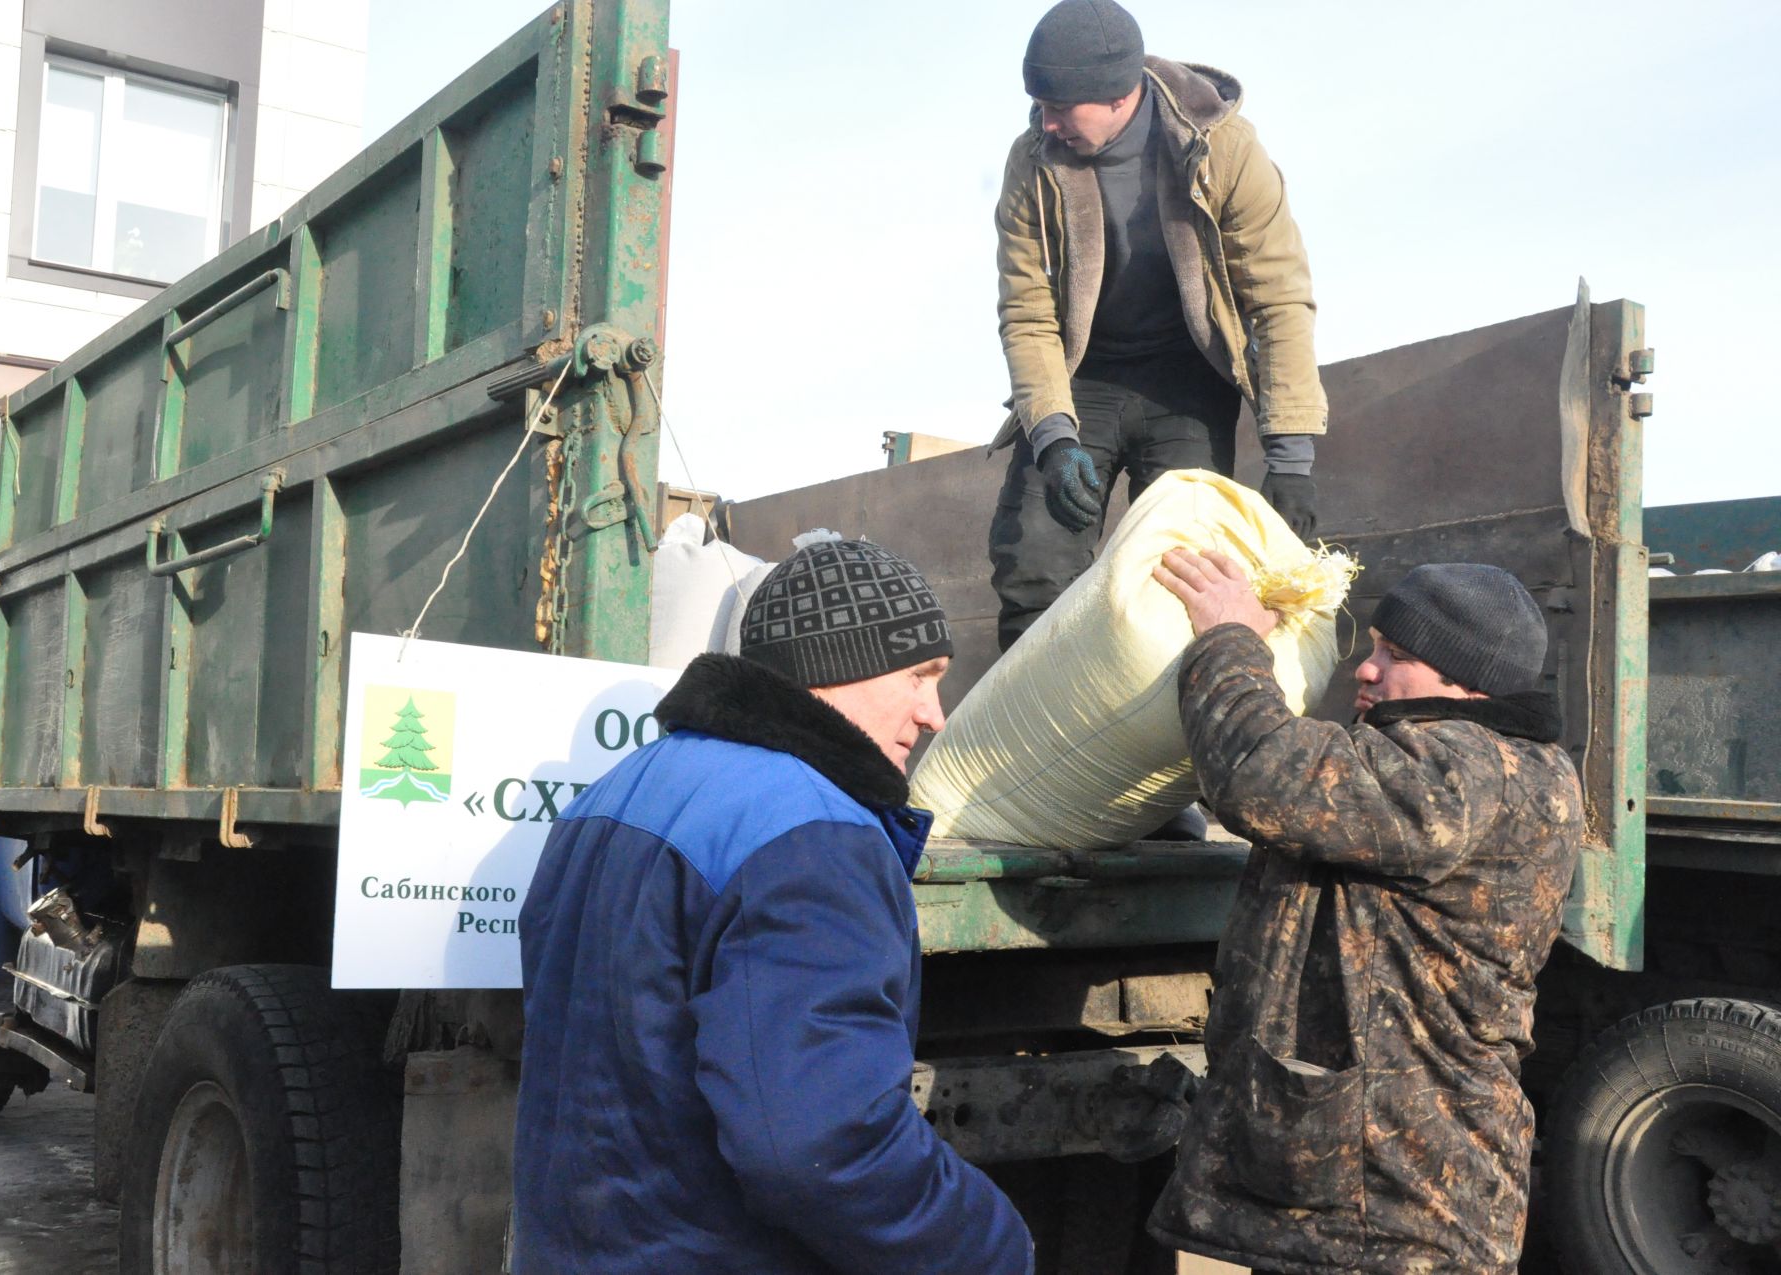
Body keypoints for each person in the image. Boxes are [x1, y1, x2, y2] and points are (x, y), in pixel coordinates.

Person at [514, 536, 1034, 1275]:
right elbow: (821, 1147)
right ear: (839, 662)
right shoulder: (813, 834)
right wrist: (994, 1245)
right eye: (921, 674)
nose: (934, 713)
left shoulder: (615, 791)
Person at [1142, 550, 1583, 1274]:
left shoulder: (1467, 772)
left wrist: (1228, 636)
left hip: (1401, 1200)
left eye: (1397, 655)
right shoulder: (1484, 766)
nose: (1366, 670)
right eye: (1374, 646)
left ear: (1468, 686)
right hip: (1376, 1191)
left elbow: (1263, 769)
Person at [989, 0, 1328, 652]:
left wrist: (1290, 456)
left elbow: (1279, 297)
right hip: (1081, 376)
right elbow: (1026, 312)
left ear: (1121, 94)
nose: (1046, 121)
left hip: (1188, 381)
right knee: (1034, 561)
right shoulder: (1031, 162)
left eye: (1061, 106)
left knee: (1184, 576)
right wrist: (1055, 440)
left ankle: (1168, 743)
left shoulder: (1223, 147)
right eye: (1038, 102)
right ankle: (1038, 744)